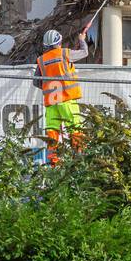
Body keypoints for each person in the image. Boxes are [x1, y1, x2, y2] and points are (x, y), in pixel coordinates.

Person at [34, 26, 90, 163]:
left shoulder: (41, 60)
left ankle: (53, 163)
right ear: (59, 42)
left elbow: (37, 82)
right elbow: (84, 52)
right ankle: (79, 160)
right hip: (67, 100)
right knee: (75, 128)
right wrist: (82, 40)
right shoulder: (65, 53)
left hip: (52, 104)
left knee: (52, 133)